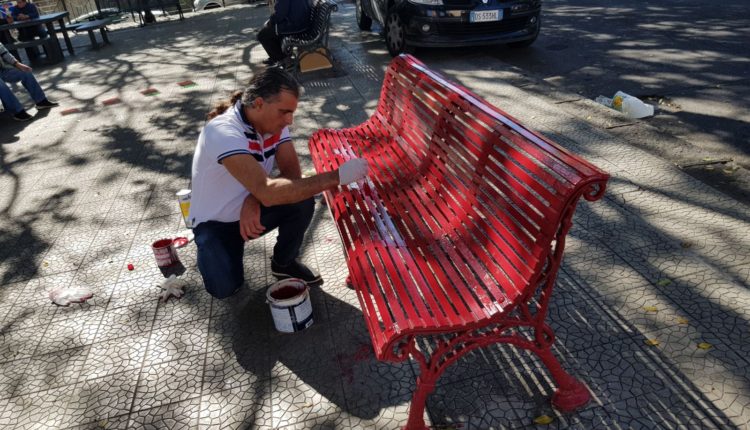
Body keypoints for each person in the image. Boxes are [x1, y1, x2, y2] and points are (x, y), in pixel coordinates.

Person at [190, 66, 368, 299]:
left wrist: (253, 199)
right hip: (216, 224)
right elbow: (269, 191)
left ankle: (283, 263)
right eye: (284, 112)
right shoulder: (222, 132)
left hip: (253, 211)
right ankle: (210, 249)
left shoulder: (274, 125)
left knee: (301, 198)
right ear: (259, 103)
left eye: (292, 112)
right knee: (225, 290)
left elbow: (292, 177)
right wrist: (337, 176)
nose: (289, 120)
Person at [1, 42, 58, 121]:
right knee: (1, 86)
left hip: (3, 70)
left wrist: (18, 64)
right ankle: (17, 112)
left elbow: (4, 53)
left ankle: (41, 101)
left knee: (25, 72)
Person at [257, 0, 311, 65]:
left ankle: (283, 59)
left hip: (295, 25)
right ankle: (276, 57)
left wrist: (271, 21)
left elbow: (280, 13)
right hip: (301, 22)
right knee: (272, 30)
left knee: (262, 35)